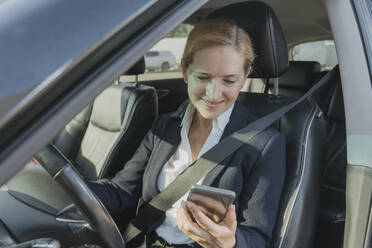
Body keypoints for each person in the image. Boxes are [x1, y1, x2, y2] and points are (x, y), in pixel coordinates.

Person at [90, 18, 285, 248]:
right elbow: (121, 191)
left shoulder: (265, 145)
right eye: (203, 77)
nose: (214, 94)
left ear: (245, 76)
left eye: (229, 81)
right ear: (184, 70)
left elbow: (257, 237)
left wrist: (231, 243)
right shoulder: (164, 127)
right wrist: (57, 186)